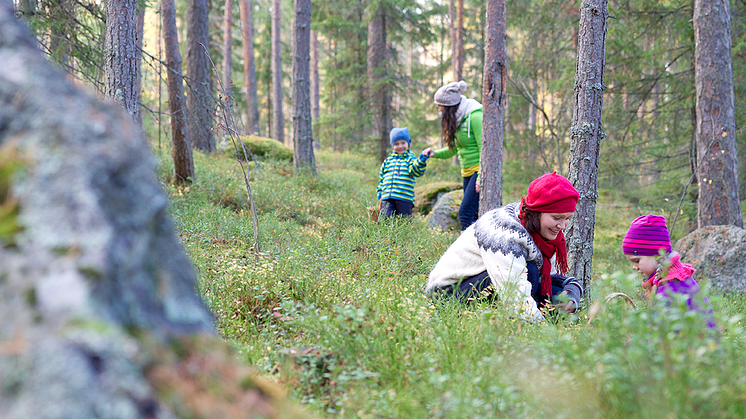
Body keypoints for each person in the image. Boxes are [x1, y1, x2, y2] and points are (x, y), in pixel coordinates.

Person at [425, 172, 583, 321]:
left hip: (486, 281)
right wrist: (541, 334)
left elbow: (550, 278)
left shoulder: (541, 229)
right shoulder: (504, 233)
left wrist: (572, 290)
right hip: (446, 295)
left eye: (567, 218)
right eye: (557, 217)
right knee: (531, 271)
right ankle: (500, 322)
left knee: (557, 296)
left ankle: (548, 318)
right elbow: (514, 294)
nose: (563, 226)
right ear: (537, 211)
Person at [622, 214, 714, 325]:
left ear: (658, 257)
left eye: (637, 261)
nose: (634, 267)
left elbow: (660, 332)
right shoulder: (670, 278)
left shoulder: (670, 288)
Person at [422, 80, 483, 231]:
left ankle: (466, 251)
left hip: (479, 171)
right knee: (474, 214)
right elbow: (453, 149)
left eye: (440, 106)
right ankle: (477, 250)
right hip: (467, 173)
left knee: (465, 213)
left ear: (450, 106)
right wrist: (434, 153)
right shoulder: (459, 118)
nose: (439, 109)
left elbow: (486, 148)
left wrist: (482, 176)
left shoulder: (474, 116)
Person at [376, 127, 430, 218]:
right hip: (387, 198)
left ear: (408, 143)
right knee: (386, 220)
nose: (400, 146)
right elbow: (381, 179)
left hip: (404, 198)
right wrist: (380, 194)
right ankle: (388, 232)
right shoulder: (387, 161)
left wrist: (421, 161)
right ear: (392, 145)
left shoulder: (410, 159)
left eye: (403, 143)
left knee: (404, 221)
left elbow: (416, 170)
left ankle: (405, 232)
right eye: (397, 144)